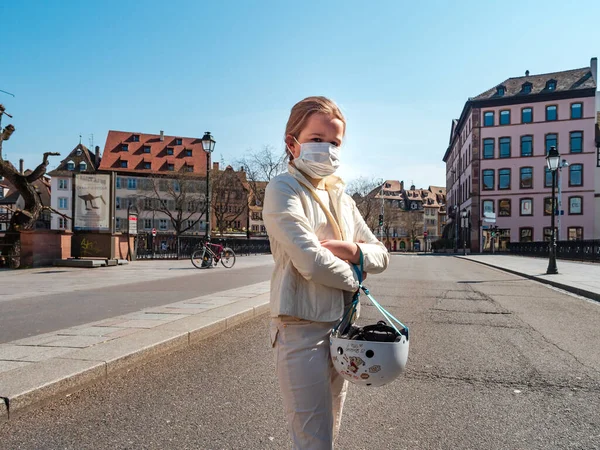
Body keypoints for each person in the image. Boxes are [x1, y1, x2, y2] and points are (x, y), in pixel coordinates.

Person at [263, 96, 389, 449]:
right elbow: (310, 262)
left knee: (329, 429)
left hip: (341, 329)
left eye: (335, 143)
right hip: (300, 327)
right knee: (312, 439)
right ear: (293, 143)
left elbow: (382, 254)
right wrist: (357, 277)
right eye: (317, 139)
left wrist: (353, 251)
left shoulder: (342, 197)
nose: (328, 150)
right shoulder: (283, 189)